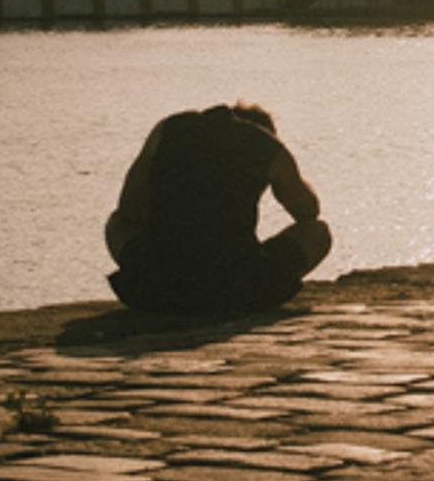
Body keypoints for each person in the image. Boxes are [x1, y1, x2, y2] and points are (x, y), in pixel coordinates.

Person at [104, 101, 332, 320]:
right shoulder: (266, 145)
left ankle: (159, 271)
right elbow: (308, 211)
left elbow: (129, 209)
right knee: (317, 231)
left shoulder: (167, 130)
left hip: (154, 290)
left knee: (116, 223)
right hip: (238, 291)